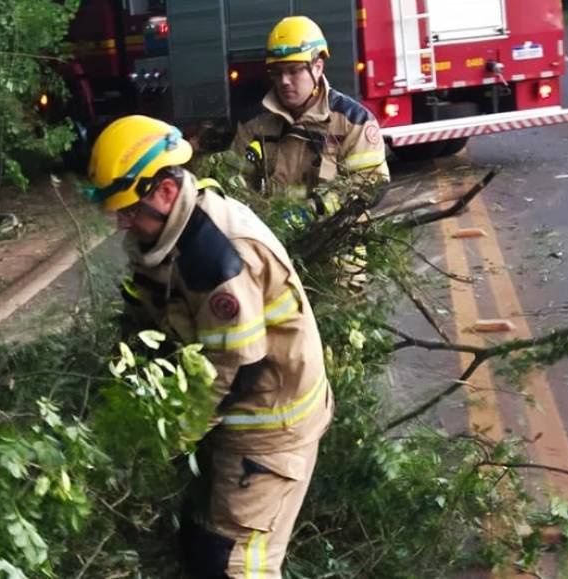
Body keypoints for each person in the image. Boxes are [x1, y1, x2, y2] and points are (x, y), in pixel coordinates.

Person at [86, 114, 333, 578]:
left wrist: (173, 435)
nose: (124, 225)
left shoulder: (214, 257)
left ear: (163, 191)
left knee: (236, 564)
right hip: (234, 417)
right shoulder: (170, 235)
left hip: (269, 426)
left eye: (129, 212)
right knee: (201, 544)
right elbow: (148, 318)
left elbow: (238, 364)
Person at [231, 15, 390, 205]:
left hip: (334, 231)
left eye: (294, 70)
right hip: (271, 233)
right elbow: (235, 184)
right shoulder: (254, 125)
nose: (284, 81)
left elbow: (370, 183)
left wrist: (316, 209)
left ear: (317, 67)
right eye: (277, 72)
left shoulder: (353, 121)